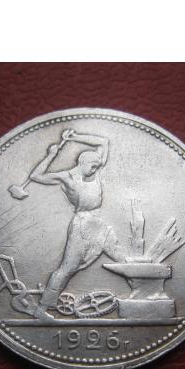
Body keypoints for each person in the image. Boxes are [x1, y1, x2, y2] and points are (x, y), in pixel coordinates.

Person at [29, 129, 124, 320]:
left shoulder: (96, 170)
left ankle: (139, 296)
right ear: (82, 163)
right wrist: (51, 155)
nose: (95, 169)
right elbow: (36, 176)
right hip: (82, 226)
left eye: (97, 166)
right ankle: (42, 309)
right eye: (93, 166)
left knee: (122, 258)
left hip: (99, 224)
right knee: (67, 269)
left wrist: (74, 137)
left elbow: (104, 141)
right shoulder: (67, 177)